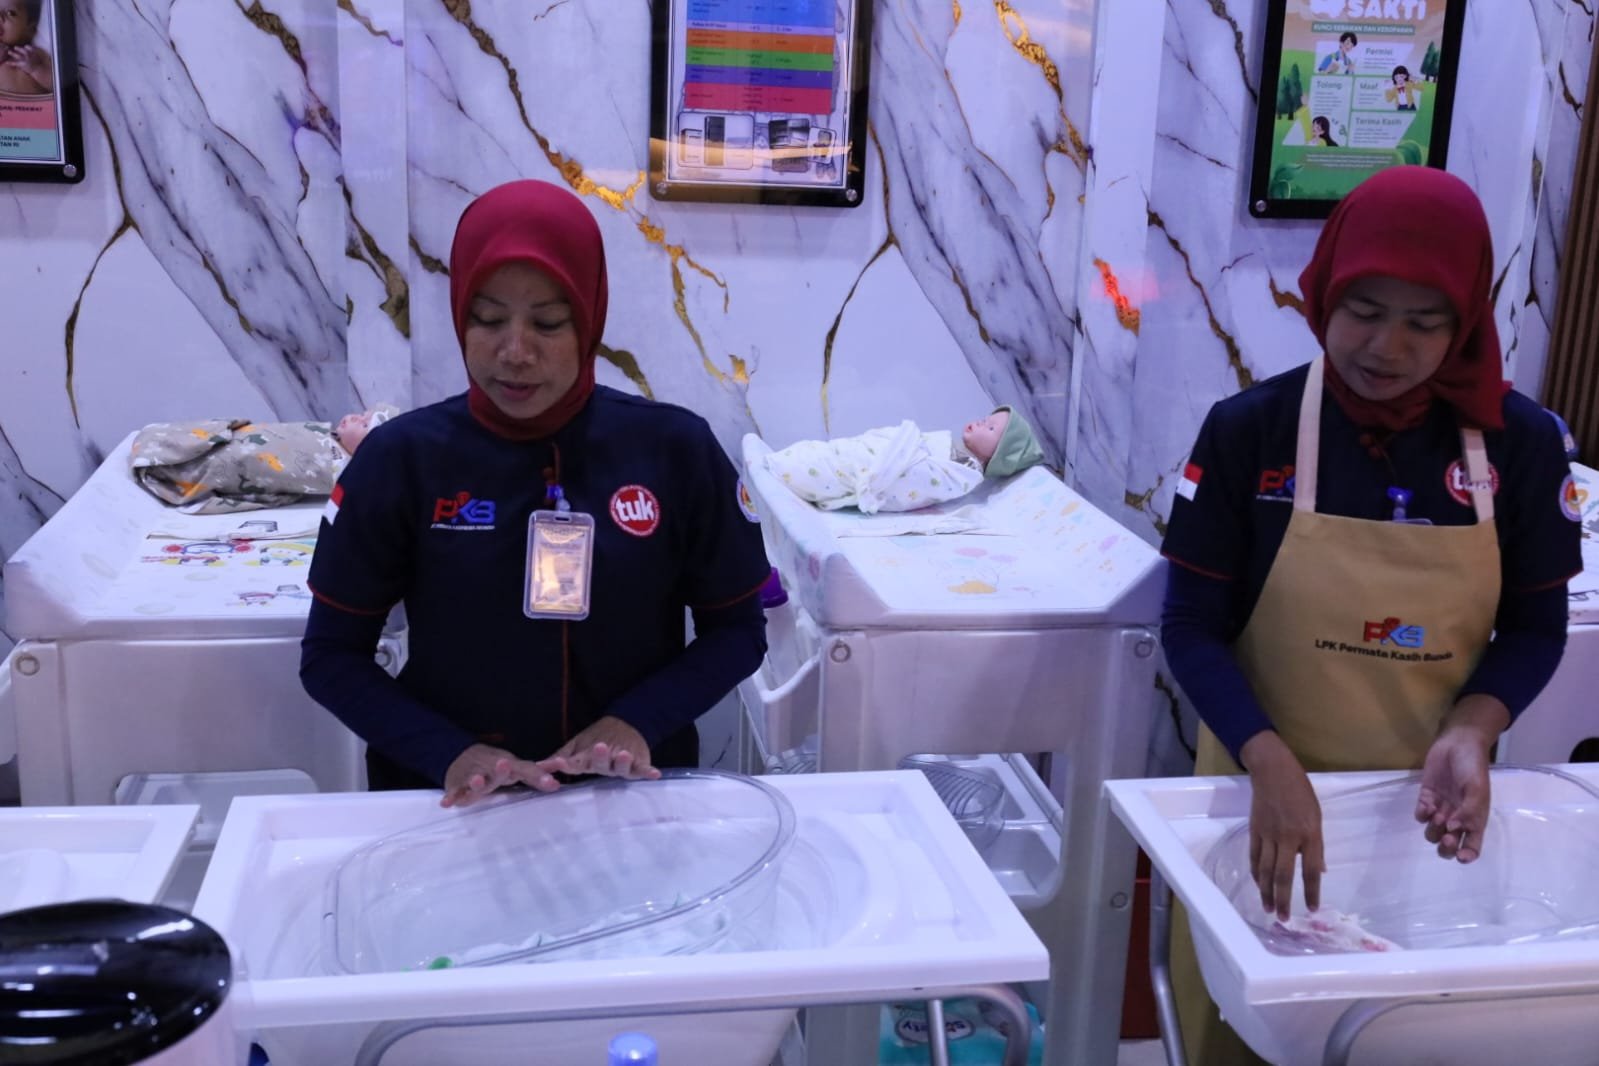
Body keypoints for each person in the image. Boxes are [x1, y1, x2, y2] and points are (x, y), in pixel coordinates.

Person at [1159, 166, 1581, 1064]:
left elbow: (1534, 628)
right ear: (1324, 294)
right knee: (1244, 1033)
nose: (1387, 346)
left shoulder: (1520, 445)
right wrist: (1266, 761)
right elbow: (1190, 623)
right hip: (1255, 795)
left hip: (1421, 813)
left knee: (1407, 1033)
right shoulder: (1249, 430)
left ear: (1465, 319)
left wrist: (1471, 730)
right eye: (1364, 311)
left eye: (1424, 322)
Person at [300, 180, 770, 808]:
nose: (515, 352)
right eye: (488, 319)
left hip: (629, 798)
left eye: (548, 323)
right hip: (450, 802)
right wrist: (447, 753)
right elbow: (330, 655)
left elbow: (738, 631)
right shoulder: (400, 460)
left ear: (589, 318)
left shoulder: (673, 449)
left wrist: (638, 722)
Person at [762, 405, 1045, 513]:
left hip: (884, 469)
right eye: (986, 418)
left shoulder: (961, 477)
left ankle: (791, 470)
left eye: (991, 428)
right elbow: (908, 445)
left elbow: (918, 481)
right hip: (883, 454)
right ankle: (791, 463)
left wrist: (885, 472)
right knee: (845, 451)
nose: (981, 422)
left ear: (998, 455)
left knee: (842, 466)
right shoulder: (951, 449)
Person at [128, 406, 397, 515]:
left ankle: (175, 466)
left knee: (229, 459)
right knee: (232, 440)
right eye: (362, 414)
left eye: (364, 424)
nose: (354, 418)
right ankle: (170, 447)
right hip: (248, 442)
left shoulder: (344, 471)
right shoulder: (328, 438)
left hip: (244, 460)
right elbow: (279, 437)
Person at [0, 0, 52, 96]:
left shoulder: (34, 55)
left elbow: (57, 85)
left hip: (35, 105)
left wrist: (36, 69)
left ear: (30, 29)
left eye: (10, 13)